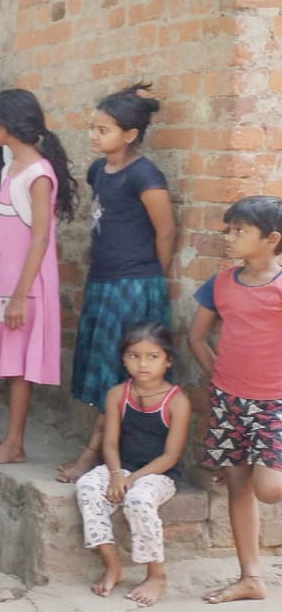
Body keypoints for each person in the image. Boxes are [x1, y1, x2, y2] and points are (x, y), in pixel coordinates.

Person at [58, 83, 175, 483]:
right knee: (105, 367)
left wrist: (152, 280)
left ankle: (96, 454)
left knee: (122, 372)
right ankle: (107, 450)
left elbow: (165, 231)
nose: (93, 135)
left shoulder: (146, 175)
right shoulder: (98, 170)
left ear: (130, 135)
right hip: (103, 282)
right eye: (92, 127)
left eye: (103, 129)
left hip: (135, 285)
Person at [0, 89, 77, 464]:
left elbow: (41, 238)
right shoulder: (13, 169)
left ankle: (14, 444)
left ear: (7, 125)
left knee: (18, 369)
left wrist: (22, 295)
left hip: (23, 288)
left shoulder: (39, 174)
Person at [189, 195, 282, 605]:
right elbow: (196, 337)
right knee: (239, 487)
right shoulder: (221, 282)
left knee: (269, 488)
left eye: (240, 232)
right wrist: (221, 377)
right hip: (229, 402)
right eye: (229, 230)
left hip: (274, 403)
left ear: (272, 239)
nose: (230, 238)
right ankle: (251, 577)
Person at [76, 323, 190, 607]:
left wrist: (133, 479)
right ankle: (113, 565)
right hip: (120, 467)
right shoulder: (117, 394)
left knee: (138, 500)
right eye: (134, 356)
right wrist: (116, 474)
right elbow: (110, 443)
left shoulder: (177, 401)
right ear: (124, 358)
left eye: (153, 356)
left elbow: (170, 456)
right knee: (88, 486)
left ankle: (156, 574)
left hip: (158, 474)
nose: (142, 364)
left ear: (168, 360)